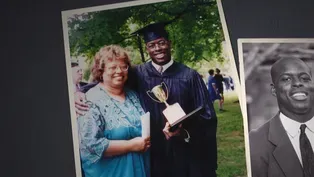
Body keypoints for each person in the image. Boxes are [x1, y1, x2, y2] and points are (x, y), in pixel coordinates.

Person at [75, 22, 217, 177]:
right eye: (151, 45)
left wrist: (183, 131)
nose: (157, 49)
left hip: (184, 153)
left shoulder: (189, 76)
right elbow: (108, 81)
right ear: (147, 48)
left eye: (161, 43)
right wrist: (79, 92)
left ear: (169, 43)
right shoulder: (138, 73)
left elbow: (207, 117)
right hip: (151, 154)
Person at [77, 45, 150, 177]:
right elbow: (90, 145)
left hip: (139, 169)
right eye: (112, 67)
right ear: (101, 71)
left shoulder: (132, 95)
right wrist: (130, 145)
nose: (119, 71)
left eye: (124, 66)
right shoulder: (91, 100)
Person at [249, 58, 314, 177]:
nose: (298, 83)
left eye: (305, 78)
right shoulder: (255, 142)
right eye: (286, 79)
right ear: (274, 90)